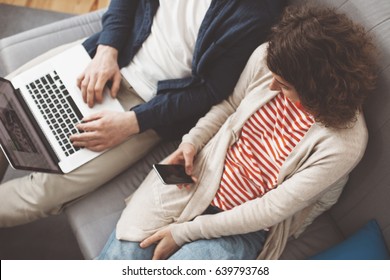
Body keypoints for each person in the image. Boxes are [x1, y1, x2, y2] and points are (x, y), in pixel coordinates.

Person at [96, 5, 377, 260]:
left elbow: (272, 208)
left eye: (284, 85)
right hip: (196, 174)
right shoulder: (269, 58)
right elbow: (229, 106)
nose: (272, 88)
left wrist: (185, 233)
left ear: (313, 87)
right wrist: (190, 144)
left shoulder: (344, 143)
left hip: (246, 224)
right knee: (121, 256)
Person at [0, 0, 286, 227]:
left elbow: (210, 90)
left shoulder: (258, 12)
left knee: (42, 194)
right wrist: (106, 51)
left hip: (146, 108)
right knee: (6, 108)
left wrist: (132, 123)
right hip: (102, 59)